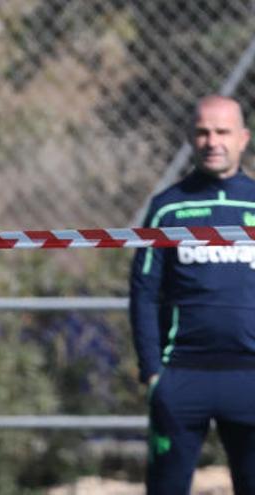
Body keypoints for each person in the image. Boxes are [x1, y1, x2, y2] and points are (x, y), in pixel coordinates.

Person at [130, 95, 255, 494]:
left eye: (222, 132)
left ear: (243, 138)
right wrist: (152, 371)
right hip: (181, 376)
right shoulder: (167, 208)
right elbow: (143, 291)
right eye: (202, 132)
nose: (212, 141)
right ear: (190, 138)